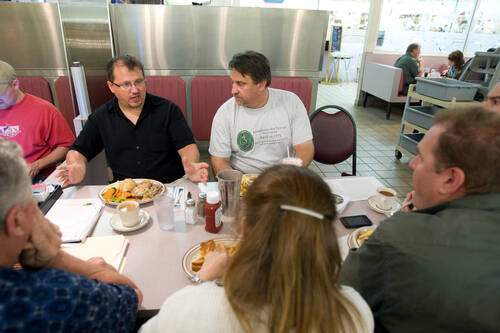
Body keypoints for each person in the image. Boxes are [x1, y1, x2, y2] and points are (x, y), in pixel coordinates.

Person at [140, 165, 374, 333]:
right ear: (324, 233)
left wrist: (201, 280)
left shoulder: (188, 308)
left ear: (243, 228)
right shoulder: (355, 313)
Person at [340, 106, 500, 333]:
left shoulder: (400, 237)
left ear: (450, 179)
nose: (413, 163)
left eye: (422, 158)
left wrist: (411, 224)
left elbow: (338, 295)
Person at [0, 138, 142, 332]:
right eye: (31, 199)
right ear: (16, 221)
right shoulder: (57, 296)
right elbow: (131, 297)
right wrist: (55, 257)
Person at [56, 55, 208, 186]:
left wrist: (192, 166)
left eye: (139, 82)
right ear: (111, 86)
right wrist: (76, 165)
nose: (135, 90)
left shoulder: (168, 110)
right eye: (126, 84)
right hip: (125, 194)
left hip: (169, 188)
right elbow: (78, 150)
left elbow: (188, 147)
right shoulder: (101, 116)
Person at [209, 51, 314, 176]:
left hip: (284, 177)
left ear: (261, 84)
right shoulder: (225, 113)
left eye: (241, 84)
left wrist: (287, 176)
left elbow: (305, 148)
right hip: (242, 179)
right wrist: (240, 184)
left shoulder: (291, 102)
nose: (233, 90)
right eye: (233, 82)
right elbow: (219, 161)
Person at [0, 60, 75, 183]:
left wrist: (36, 165)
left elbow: (66, 146)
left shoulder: (44, 110)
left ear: (15, 84)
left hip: (38, 180)